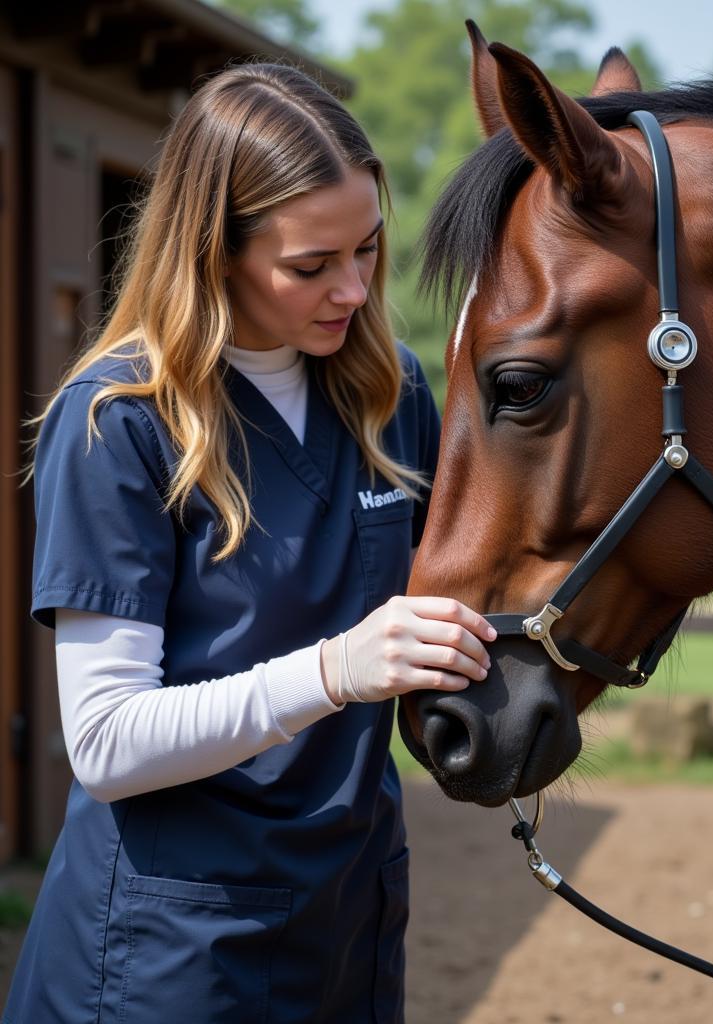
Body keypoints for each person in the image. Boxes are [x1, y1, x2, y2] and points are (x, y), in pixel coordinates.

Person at [3, 62, 493, 1024]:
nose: (352, 288)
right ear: (212, 251)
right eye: (311, 266)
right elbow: (103, 745)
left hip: (350, 915)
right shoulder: (118, 422)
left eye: (367, 249)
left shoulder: (391, 395)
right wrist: (337, 670)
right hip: (173, 947)